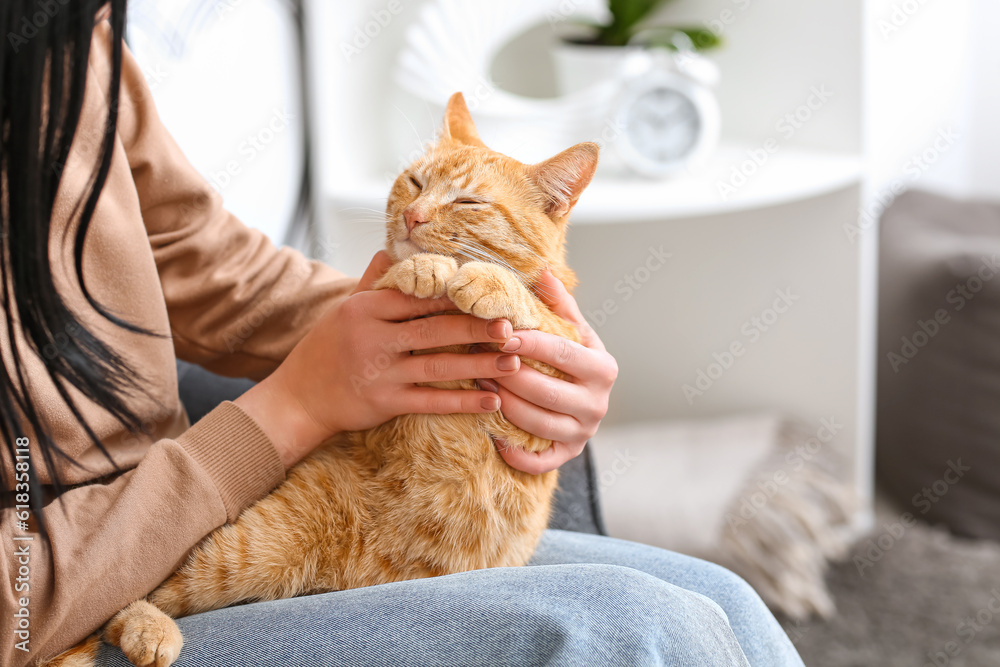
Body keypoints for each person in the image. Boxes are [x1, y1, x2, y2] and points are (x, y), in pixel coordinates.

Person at [0, 3, 805, 666]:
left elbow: (203, 260)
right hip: (62, 613)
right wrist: (288, 412)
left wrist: (476, 341)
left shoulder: (64, 46)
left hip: (173, 523)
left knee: (723, 602)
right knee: (629, 631)